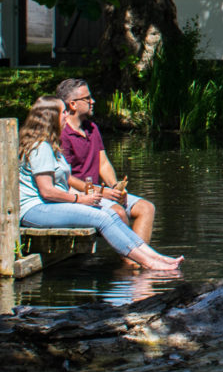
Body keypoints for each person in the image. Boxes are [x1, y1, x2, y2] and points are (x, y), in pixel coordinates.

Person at [16, 98, 180, 273]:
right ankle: (149, 263)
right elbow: (47, 191)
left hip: (49, 205)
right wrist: (80, 199)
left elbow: (62, 186)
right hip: (34, 209)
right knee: (102, 218)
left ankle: (154, 256)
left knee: (109, 213)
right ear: (50, 117)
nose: (66, 115)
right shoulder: (40, 147)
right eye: (63, 112)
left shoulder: (52, 146)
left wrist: (88, 197)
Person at [55, 76, 155, 245]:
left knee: (146, 208)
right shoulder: (63, 134)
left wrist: (115, 187)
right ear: (72, 104)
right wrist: (100, 192)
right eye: (87, 98)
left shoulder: (92, 128)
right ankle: (133, 261)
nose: (92, 101)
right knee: (118, 213)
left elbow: (103, 163)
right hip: (78, 195)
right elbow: (67, 178)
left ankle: (137, 261)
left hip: (99, 192)